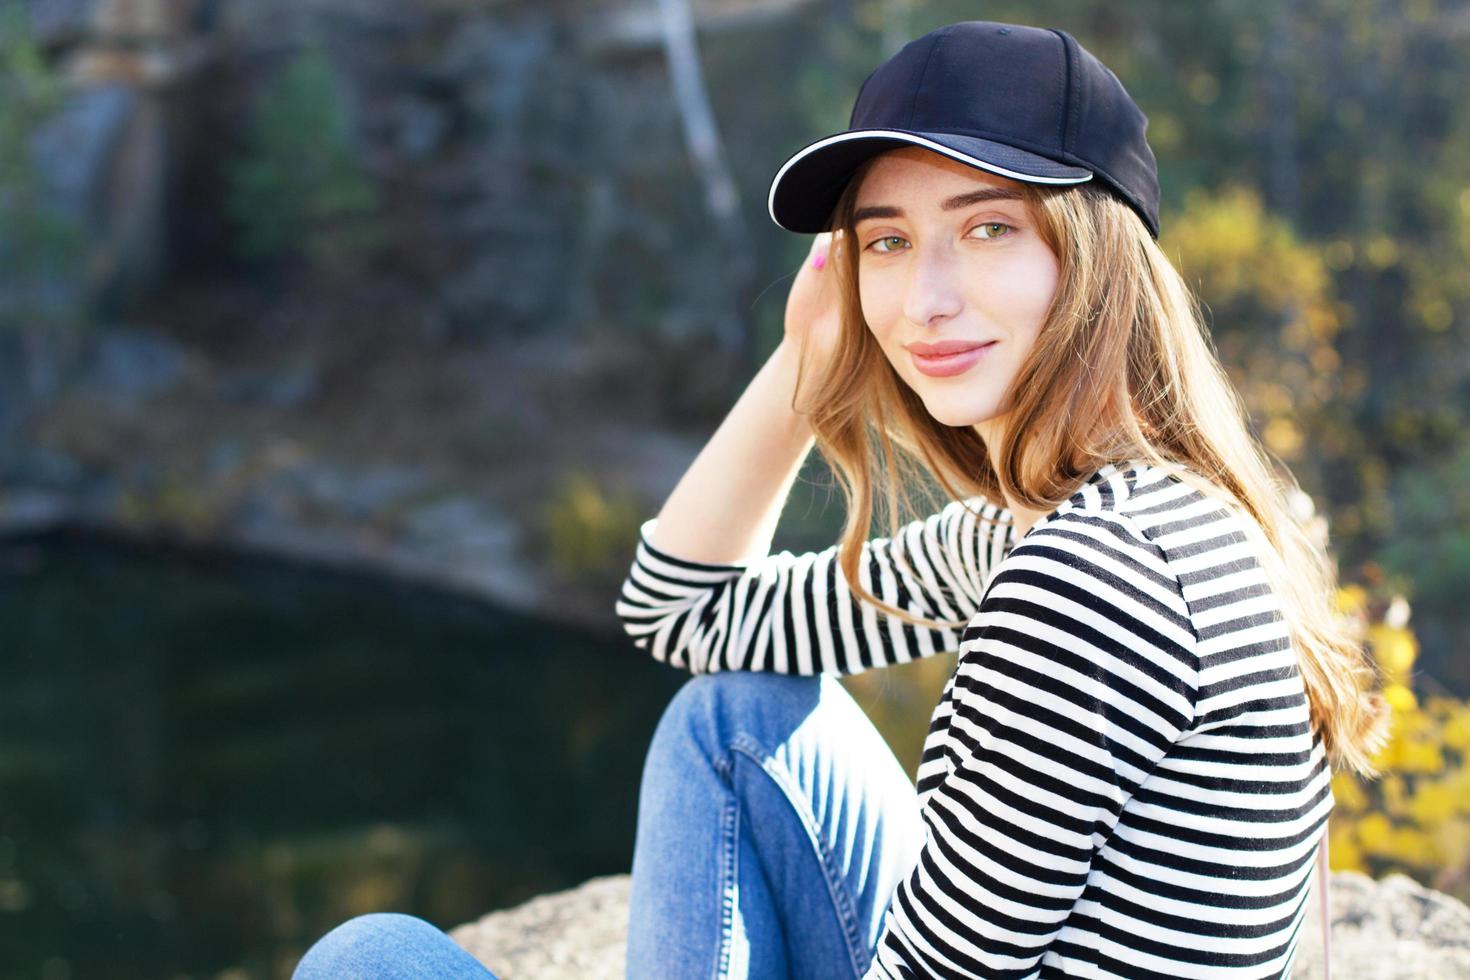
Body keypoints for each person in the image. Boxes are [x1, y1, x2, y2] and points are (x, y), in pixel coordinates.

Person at [292, 20, 1389, 980]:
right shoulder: (1103, 518)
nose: (927, 297)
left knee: (364, 961)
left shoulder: (1088, 579)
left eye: (990, 227)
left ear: (1097, 258)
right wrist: (804, 360)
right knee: (733, 717)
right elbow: (686, 613)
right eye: (886, 243)